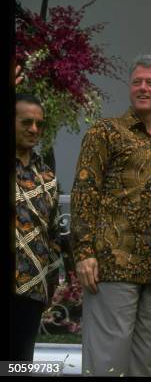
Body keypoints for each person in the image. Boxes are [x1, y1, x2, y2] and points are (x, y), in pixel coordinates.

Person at [70, 54, 151, 376]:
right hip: (112, 264)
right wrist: (83, 252)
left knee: (143, 365)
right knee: (106, 363)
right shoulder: (106, 132)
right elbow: (85, 192)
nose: (142, 88)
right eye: (136, 82)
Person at [11, 83, 67, 361]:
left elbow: (54, 233)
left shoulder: (46, 176)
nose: (34, 129)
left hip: (31, 287)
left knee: (19, 364)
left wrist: (52, 283)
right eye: (26, 122)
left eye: (39, 124)